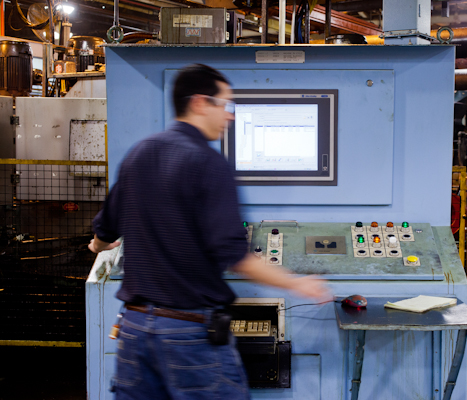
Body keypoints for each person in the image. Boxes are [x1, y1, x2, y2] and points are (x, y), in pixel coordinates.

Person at [89, 64, 331, 400]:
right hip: (187, 335)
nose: (229, 117)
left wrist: (100, 243)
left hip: (134, 332)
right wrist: (297, 282)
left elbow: (104, 233)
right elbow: (234, 256)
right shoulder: (208, 163)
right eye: (225, 106)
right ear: (200, 103)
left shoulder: (137, 154)